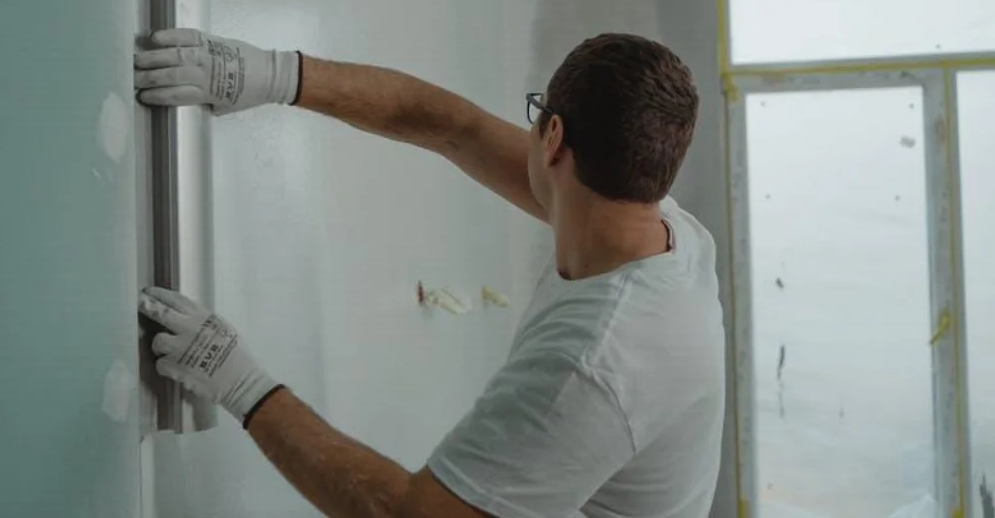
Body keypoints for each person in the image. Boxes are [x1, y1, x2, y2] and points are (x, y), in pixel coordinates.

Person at [133, 28, 725, 518]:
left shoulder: (595, 368)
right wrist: (276, 75)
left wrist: (240, 385)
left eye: (536, 114)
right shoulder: (652, 223)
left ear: (552, 137)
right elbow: (453, 126)